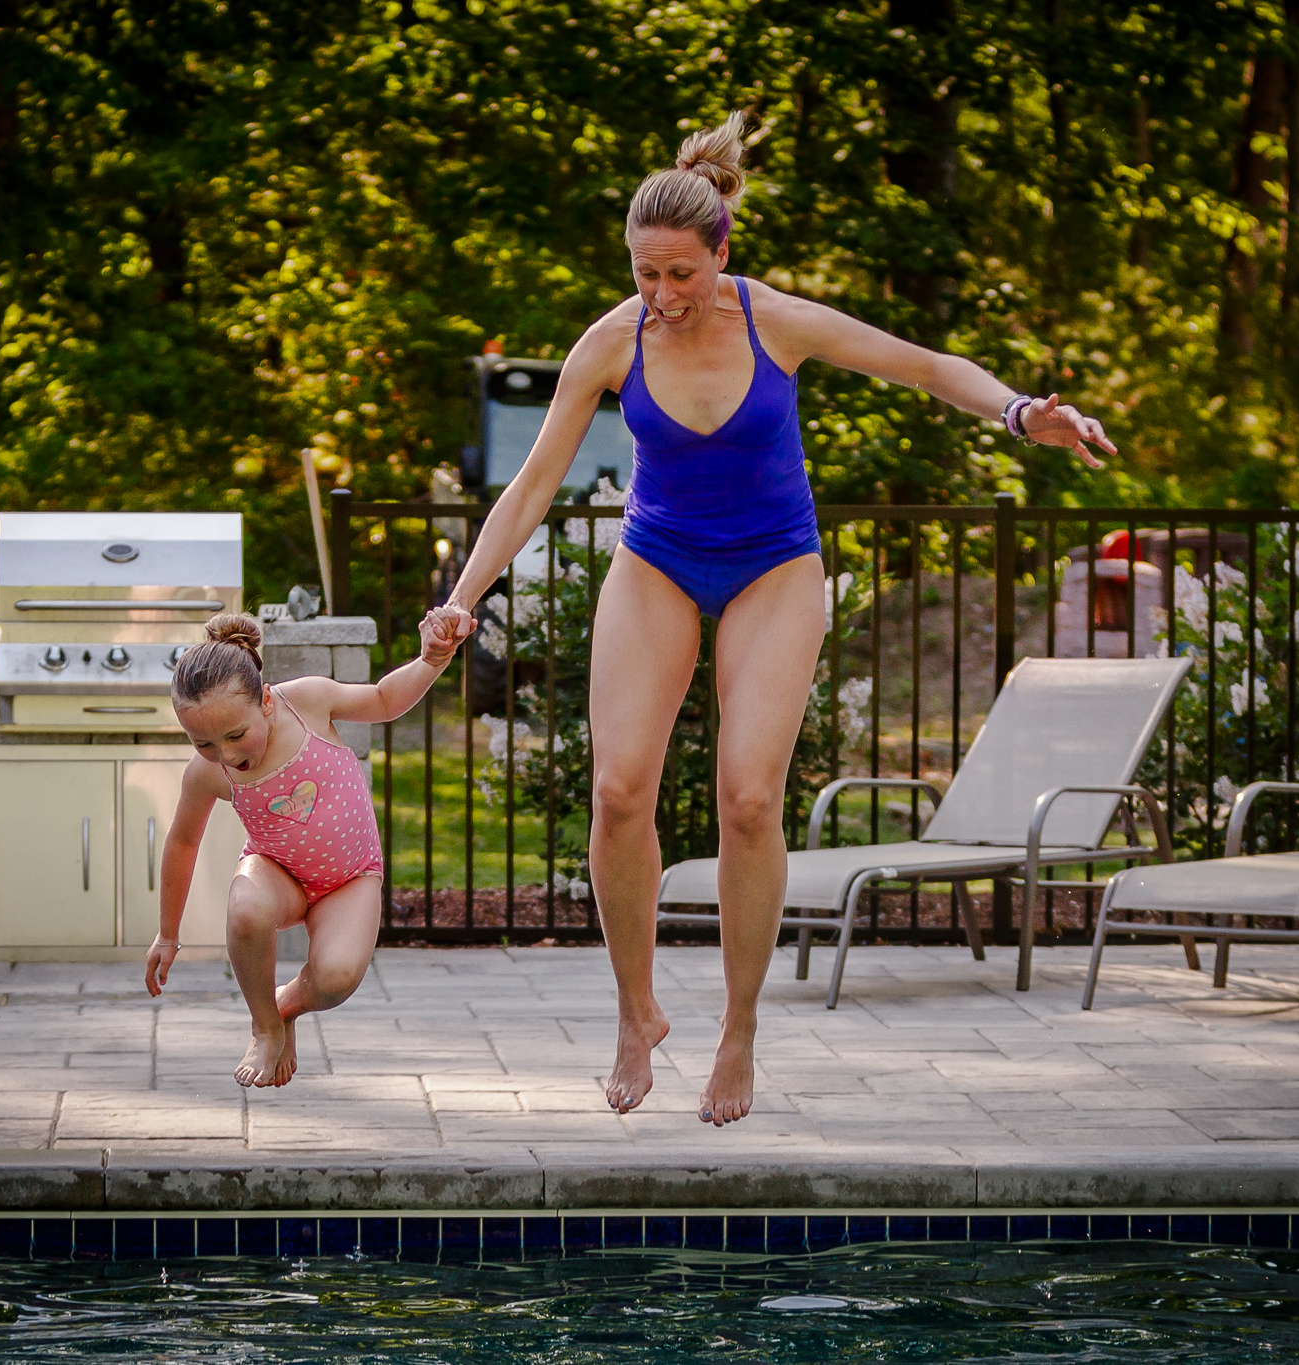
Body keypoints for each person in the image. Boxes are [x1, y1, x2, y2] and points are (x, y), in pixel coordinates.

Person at [426, 112, 1115, 1128]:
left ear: (720, 253)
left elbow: (923, 365)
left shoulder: (774, 322)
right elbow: (531, 486)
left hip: (772, 569)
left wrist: (1020, 413)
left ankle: (738, 1031)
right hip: (656, 561)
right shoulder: (609, 343)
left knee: (747, 797)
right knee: (619, 792)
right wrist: (461, 596)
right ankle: (635, 1013)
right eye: (642, 273)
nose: (659, 296)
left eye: (677, 275)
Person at [145, 610, 462, 1087]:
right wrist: (168, 935)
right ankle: (265, 1026)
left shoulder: (306, 703)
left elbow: (383, 698)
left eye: (235, 735)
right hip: (279, 873)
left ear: (266, 702)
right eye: (203, 742)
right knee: (245, 907)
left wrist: (430, 660)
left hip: (350, 878)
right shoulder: (208, 772)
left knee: (336, 978)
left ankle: (286, 1004)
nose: (226, 754)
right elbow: (183, 842)